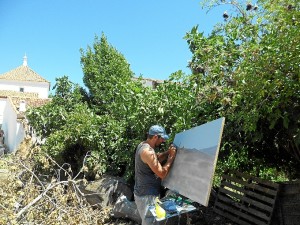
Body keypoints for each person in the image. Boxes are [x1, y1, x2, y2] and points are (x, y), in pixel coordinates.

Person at [134, 125, 177, 225]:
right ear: (155, 137)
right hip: (147, 196)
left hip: (144, 193)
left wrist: (167, 153)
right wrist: (171, 157)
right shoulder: (148, 152)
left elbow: (155, 160)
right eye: (161, 139)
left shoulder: (143, 145)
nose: (163, 141)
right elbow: (162, 173)